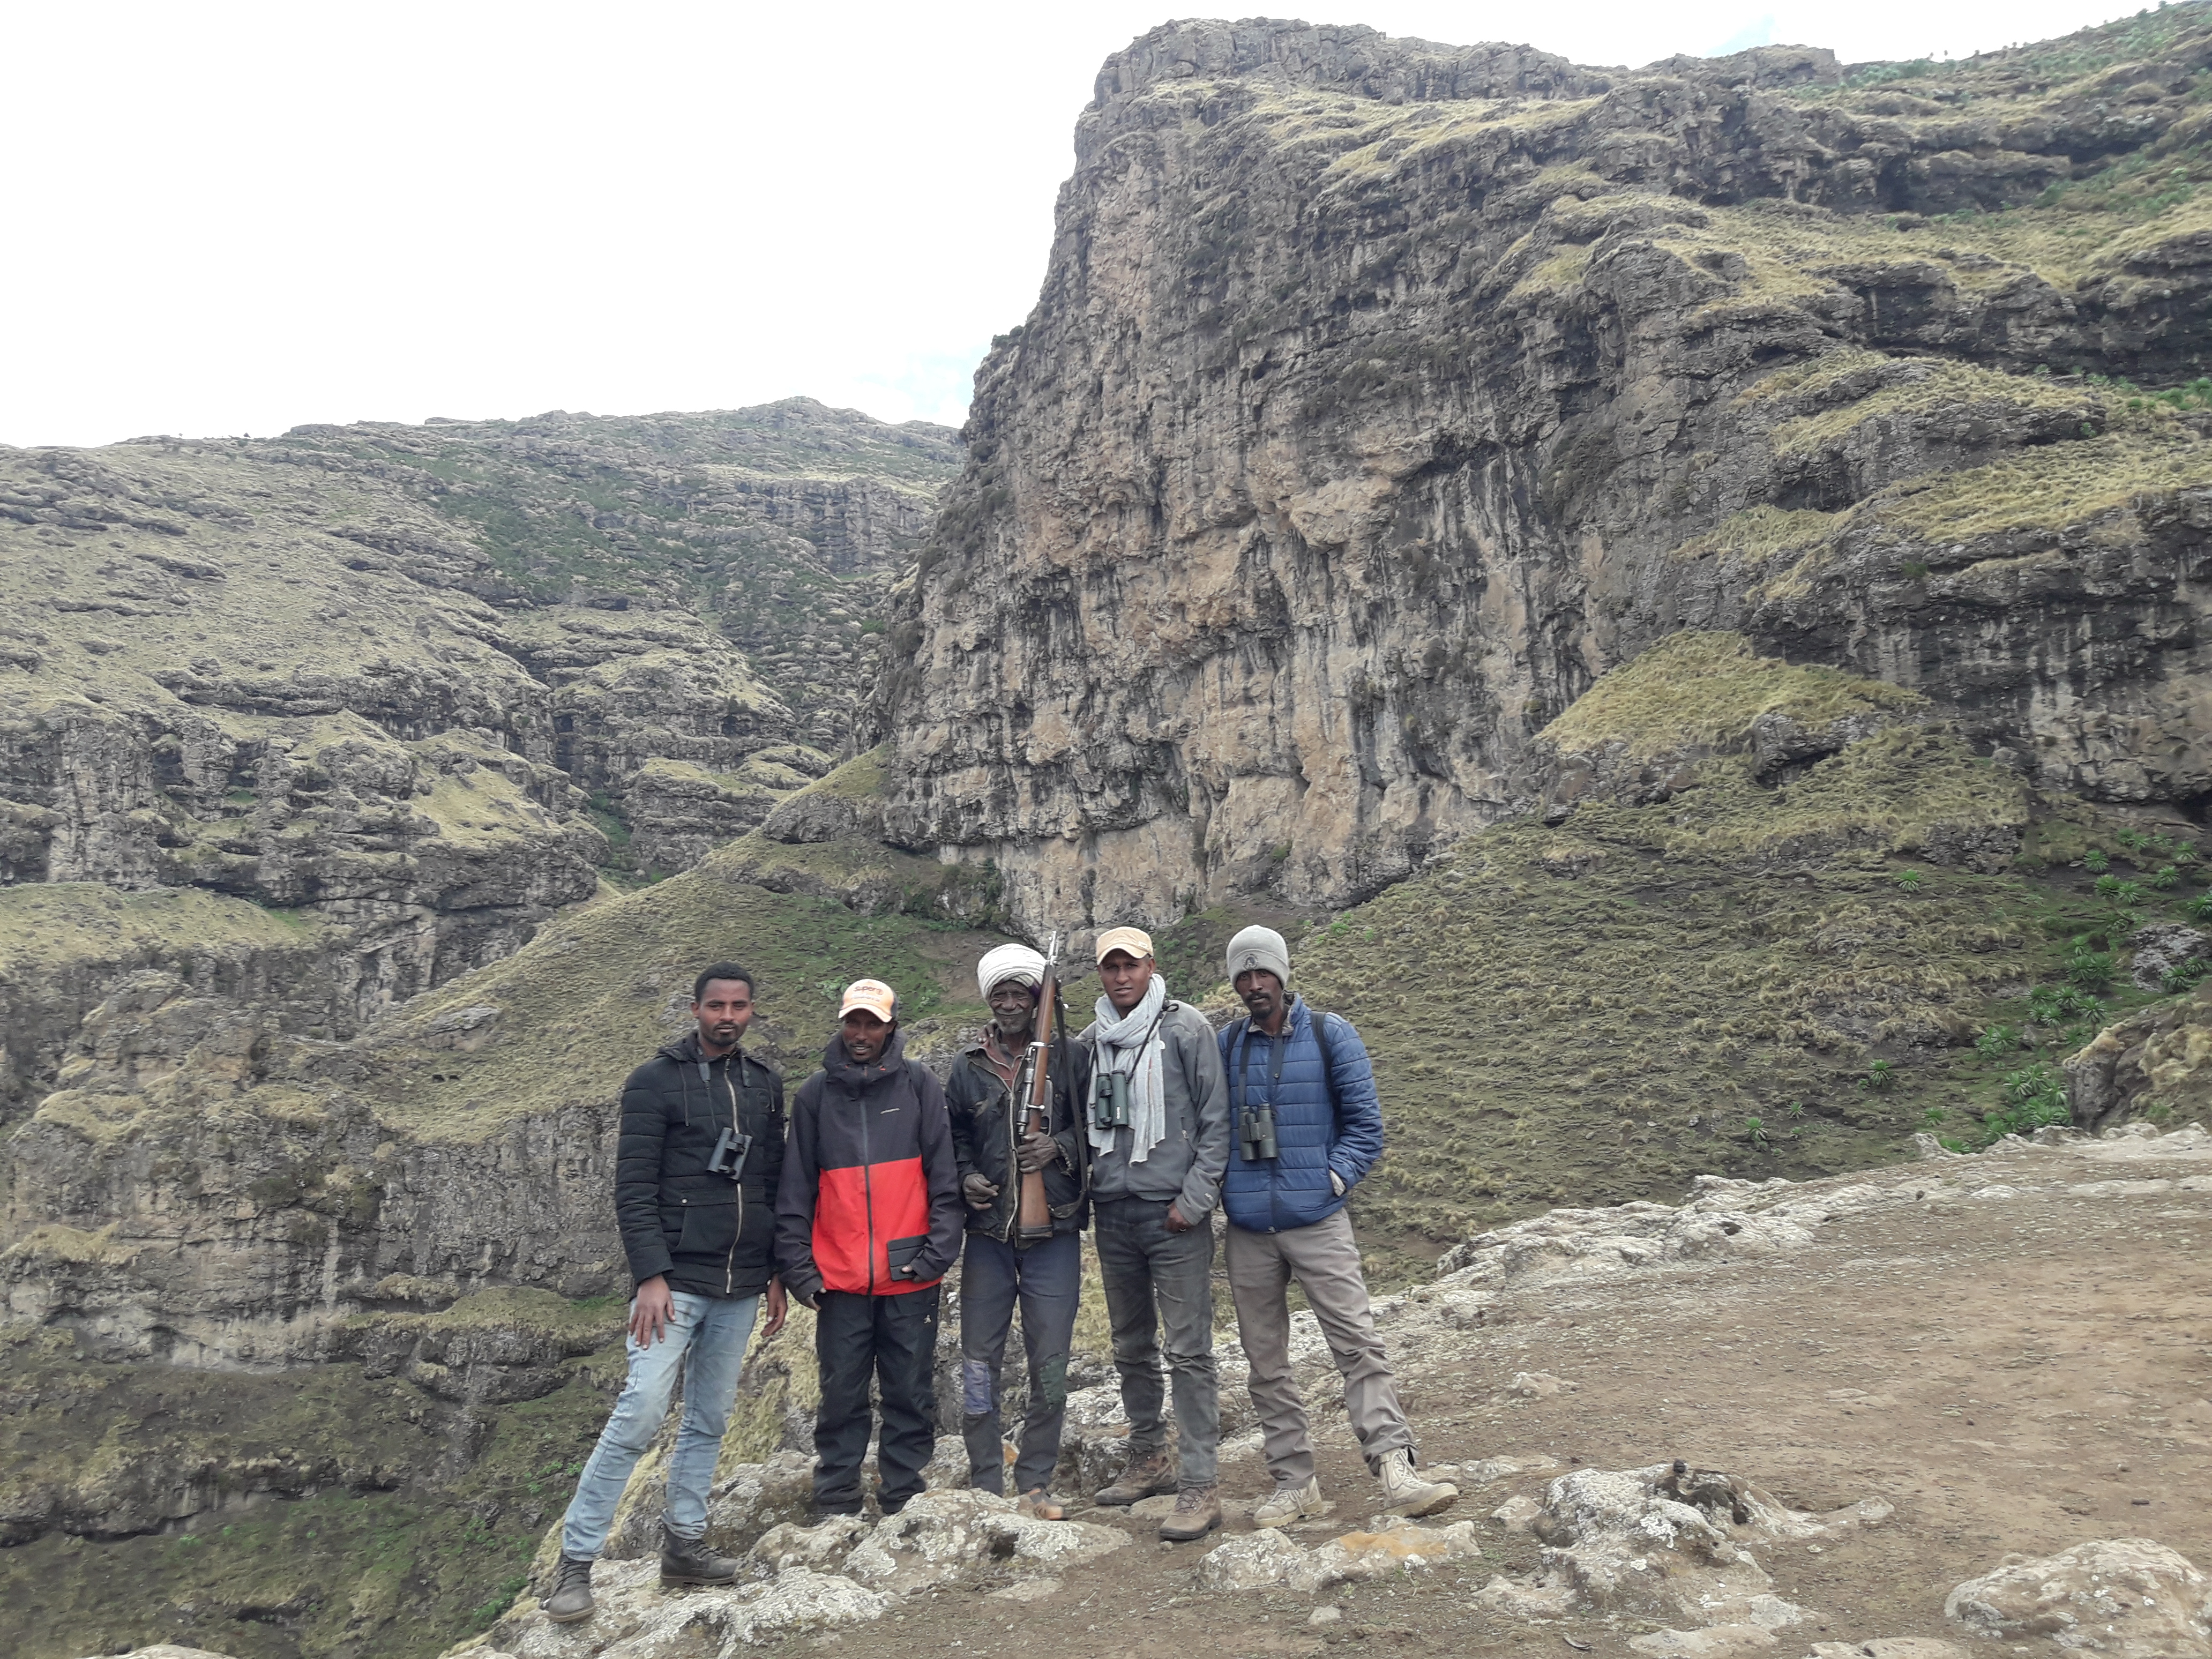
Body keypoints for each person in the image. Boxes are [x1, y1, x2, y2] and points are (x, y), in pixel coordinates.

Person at [545, 963, 789, 1624]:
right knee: (641, 1413)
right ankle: (574, 1565)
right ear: (695, 1009)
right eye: (717, 1006)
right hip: (674, 1284)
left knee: (709, 1421)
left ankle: (685, 1546)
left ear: (752, 1011)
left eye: (740, 1006)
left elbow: (766, 1183)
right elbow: (632, 1187)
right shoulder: (653, 1082)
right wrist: (650, 1275)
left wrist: (772, 1273)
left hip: (739, 1285)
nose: (728, 1016)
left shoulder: (764, 1086)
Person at [1216, 925, 1456, 1526]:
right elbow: (1208, 1126)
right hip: (1248, 1229)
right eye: (1243, 976)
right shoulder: (1224, 1046)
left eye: (1262, 973)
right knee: (1265, 1362)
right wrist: (1225, 1189)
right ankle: (1295, 1483)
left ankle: (1396, 1468)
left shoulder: (1331, 1034)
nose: (1253, 985)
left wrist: (1333, 1179)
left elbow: (1366, 1126)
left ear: (1283, 974)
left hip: (1318, 1221)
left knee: (1357, 1345)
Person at [776, 978, 965, 1518]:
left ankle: (903, 1497)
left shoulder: (920, 1086)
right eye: (853, 1022)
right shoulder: (814, 1095)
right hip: (838, 1280)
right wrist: (801, 1273)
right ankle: (836, 1498)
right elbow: (796, 1190)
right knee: (841, 1395)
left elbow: (945, 1181)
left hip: (910, 1273)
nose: (861, 1033)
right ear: (842, 1024)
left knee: (910, 1392)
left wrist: (936, 1255)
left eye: (873, 1023)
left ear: (891, 1027)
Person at [1080, 925, 1232, 1541]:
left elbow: (1216, 1122)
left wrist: (1192, 1203)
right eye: (1111, 967)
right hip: (1113, 1214)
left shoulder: (1185, 1029)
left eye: (1131, 965)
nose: (1121, 977)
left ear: (1151, 967)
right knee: (1130, 1347)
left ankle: (1201, 1481)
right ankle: (1150, 1457)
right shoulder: (1090, 1042)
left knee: (1189, 1351)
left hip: (1173, 1218)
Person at [946, 941, 1092, 1519]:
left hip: (1053, 1235)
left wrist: (1059, 1147)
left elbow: (1098, 1131)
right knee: (978, 1363)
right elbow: (952, 1137)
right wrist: (965, 1178)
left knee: (1050, 1361)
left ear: (1037, 1000)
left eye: (1020, 994)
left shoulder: (1072, 1058)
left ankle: (1035, 1480)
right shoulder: (966, 1067)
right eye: (1000, 994)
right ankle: (986, 1482)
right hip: (986, 1240)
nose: (1010, 1003)